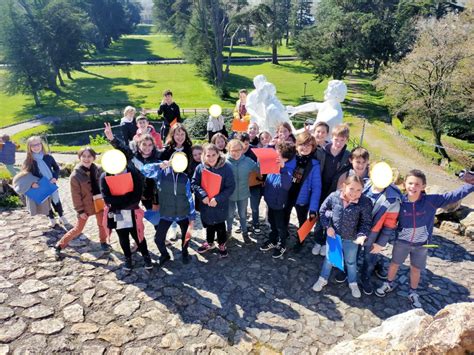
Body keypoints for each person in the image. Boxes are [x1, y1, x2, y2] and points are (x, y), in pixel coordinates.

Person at [375, 169, 474, 308]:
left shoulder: (431, 201)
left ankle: (413, 292)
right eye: (410, 183)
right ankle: (388, 284)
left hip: (421, 245)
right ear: (404, 184)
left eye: (417, 184)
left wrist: (470, 185)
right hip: (401, 242)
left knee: (416, 268)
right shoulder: (399, 201)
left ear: (423, 186)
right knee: (394, 263)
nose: (413, 187)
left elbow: (453, 195)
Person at [312, 175, 373, 298]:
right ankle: (323, 278)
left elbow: (366, 222)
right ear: (344, 186)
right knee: (329, 259)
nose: (354, 193)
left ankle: (352, 282)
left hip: (351, 239)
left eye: (359, 190)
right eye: (351, 189)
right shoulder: (334, 196)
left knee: (351, 262)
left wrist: (361, 235)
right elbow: (323, 211)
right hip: (334, 236)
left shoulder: (365, 202)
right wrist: (327, 226)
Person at [55, 147, 109, 259]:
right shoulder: (75, 175)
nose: (86, 159)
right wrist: (80, 211)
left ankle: (103, 242)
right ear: (79, 158)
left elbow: (106, 185)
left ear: (94, 157)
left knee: (102, 224)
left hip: (99, 202)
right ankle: (60, 245)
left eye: (89, 156)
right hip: (85, 206)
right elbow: (76, 195)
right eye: (83, 156)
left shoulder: (100, 169)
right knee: (78, 229)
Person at [141, 156, 196, 265]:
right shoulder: (161, 174)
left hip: (183, 213)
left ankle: (185, 253)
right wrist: (160, 165)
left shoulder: (185, 177)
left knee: (187, 236)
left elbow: (189, 197)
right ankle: (164, 254)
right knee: (158, 239)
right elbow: (144, 170)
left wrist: (192, 215)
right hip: (166, 214)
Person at [100, 163, 153, 271]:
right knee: (123, 236)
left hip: (132, 210)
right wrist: (125, 199)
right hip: (117, 212)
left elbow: (137, 194)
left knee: (138, 235)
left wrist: (121, 201)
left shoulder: (132, 172)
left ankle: (146, 257)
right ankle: (127, 258)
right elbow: (106, 198)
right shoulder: (105, 175)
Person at [359, 170, 402, 295]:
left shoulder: (393, 199)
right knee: (352, 253)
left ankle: (365, 277)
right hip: (356, 229)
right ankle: (347, 271)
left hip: (374, 234)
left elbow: (389, 225)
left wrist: (381, 243)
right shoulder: (363, 186)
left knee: (370, 258)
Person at [312, 124, 352, 256]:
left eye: (342, 140)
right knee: (319, 215)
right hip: (320, 189)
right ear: (332, 137)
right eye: (336, 139)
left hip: (335, 192)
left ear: (346, 140)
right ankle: (318, 240)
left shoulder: (347, 156)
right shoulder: (322, 151)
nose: (339, 143)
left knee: (331, 218)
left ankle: (326, 242)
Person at [104, 123, 161, 211]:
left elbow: (156, 184)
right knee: (134, 221)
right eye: (144, 144)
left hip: (149, 196)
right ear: (139, 145)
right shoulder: (133, 157)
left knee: (155, 219)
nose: (147, 147)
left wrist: (156, 202)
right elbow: (122, 147)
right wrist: (111, 138)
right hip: (133, 194)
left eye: (150, 145)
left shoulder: (157, 159)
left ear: (153, 146)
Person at [192, 143, 235, 258]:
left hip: (219, 203)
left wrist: (218, 198)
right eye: (208, 155)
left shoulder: (226, 168)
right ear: (204, 156)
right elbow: (194, 183)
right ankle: (209, 242)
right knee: (209, 224)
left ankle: (222, 244)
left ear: (218, 154)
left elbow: (230, 187)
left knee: (220, 225)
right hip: (206, 203)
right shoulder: (200, 168)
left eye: (213, 155)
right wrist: (203, 196)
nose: (211, 158)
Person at [284, 132, 322, 253]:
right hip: (288, 195)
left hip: (302, 198)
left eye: (308, 145)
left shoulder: (314, 165)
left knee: (302, 220)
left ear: (313, 148)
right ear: (297, 145)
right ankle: (283, 235)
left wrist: (313, 208)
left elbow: (316, 188)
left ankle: (300, 240)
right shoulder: (290, 159)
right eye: (302, 144)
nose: (305, 148)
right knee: (285, 216)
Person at [259, 142, 296, 259]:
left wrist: (282, 168)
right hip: (270, 201)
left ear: (284, 157)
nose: (274, 155)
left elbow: (286, 185)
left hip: (280, 204)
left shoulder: (288, 170)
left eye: (277, 154)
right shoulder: (273, 164)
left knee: (281, 225)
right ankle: (272, 240)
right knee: (272, 223)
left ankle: (282, 244)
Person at [22, 136, 68, 227]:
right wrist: (32, 183)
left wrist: (55, 177)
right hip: (40, 185)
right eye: (33, 145)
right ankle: (51, 218)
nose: (36, 147)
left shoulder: (48, 157)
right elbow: (26, 175)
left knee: (56, 200)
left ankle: (61, 216)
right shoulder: (29, 161)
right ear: (29, 147)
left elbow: (56, 168)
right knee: (45, 203)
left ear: (41, 145)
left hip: (51, 183)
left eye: (38, 144)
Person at [225, 139, 259, 244]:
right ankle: (228, 232)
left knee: (243, 214)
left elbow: (259, 169)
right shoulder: (224, 162)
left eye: (238, 150)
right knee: (229, 215)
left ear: (242, 150)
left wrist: (266, 162)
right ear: (229, 150)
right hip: (229, 195)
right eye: (233, 150)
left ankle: (245, 233)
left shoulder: (248, 161)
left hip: (243, 194)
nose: (235, 153)